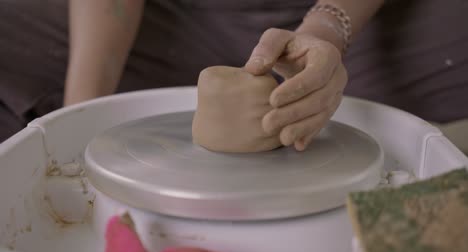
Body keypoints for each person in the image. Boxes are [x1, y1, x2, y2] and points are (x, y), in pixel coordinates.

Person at [1, 0, 468, 151]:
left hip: (361, 25)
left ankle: (320, 89)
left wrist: (328, 27)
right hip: (180, 21)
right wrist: (82, 117)